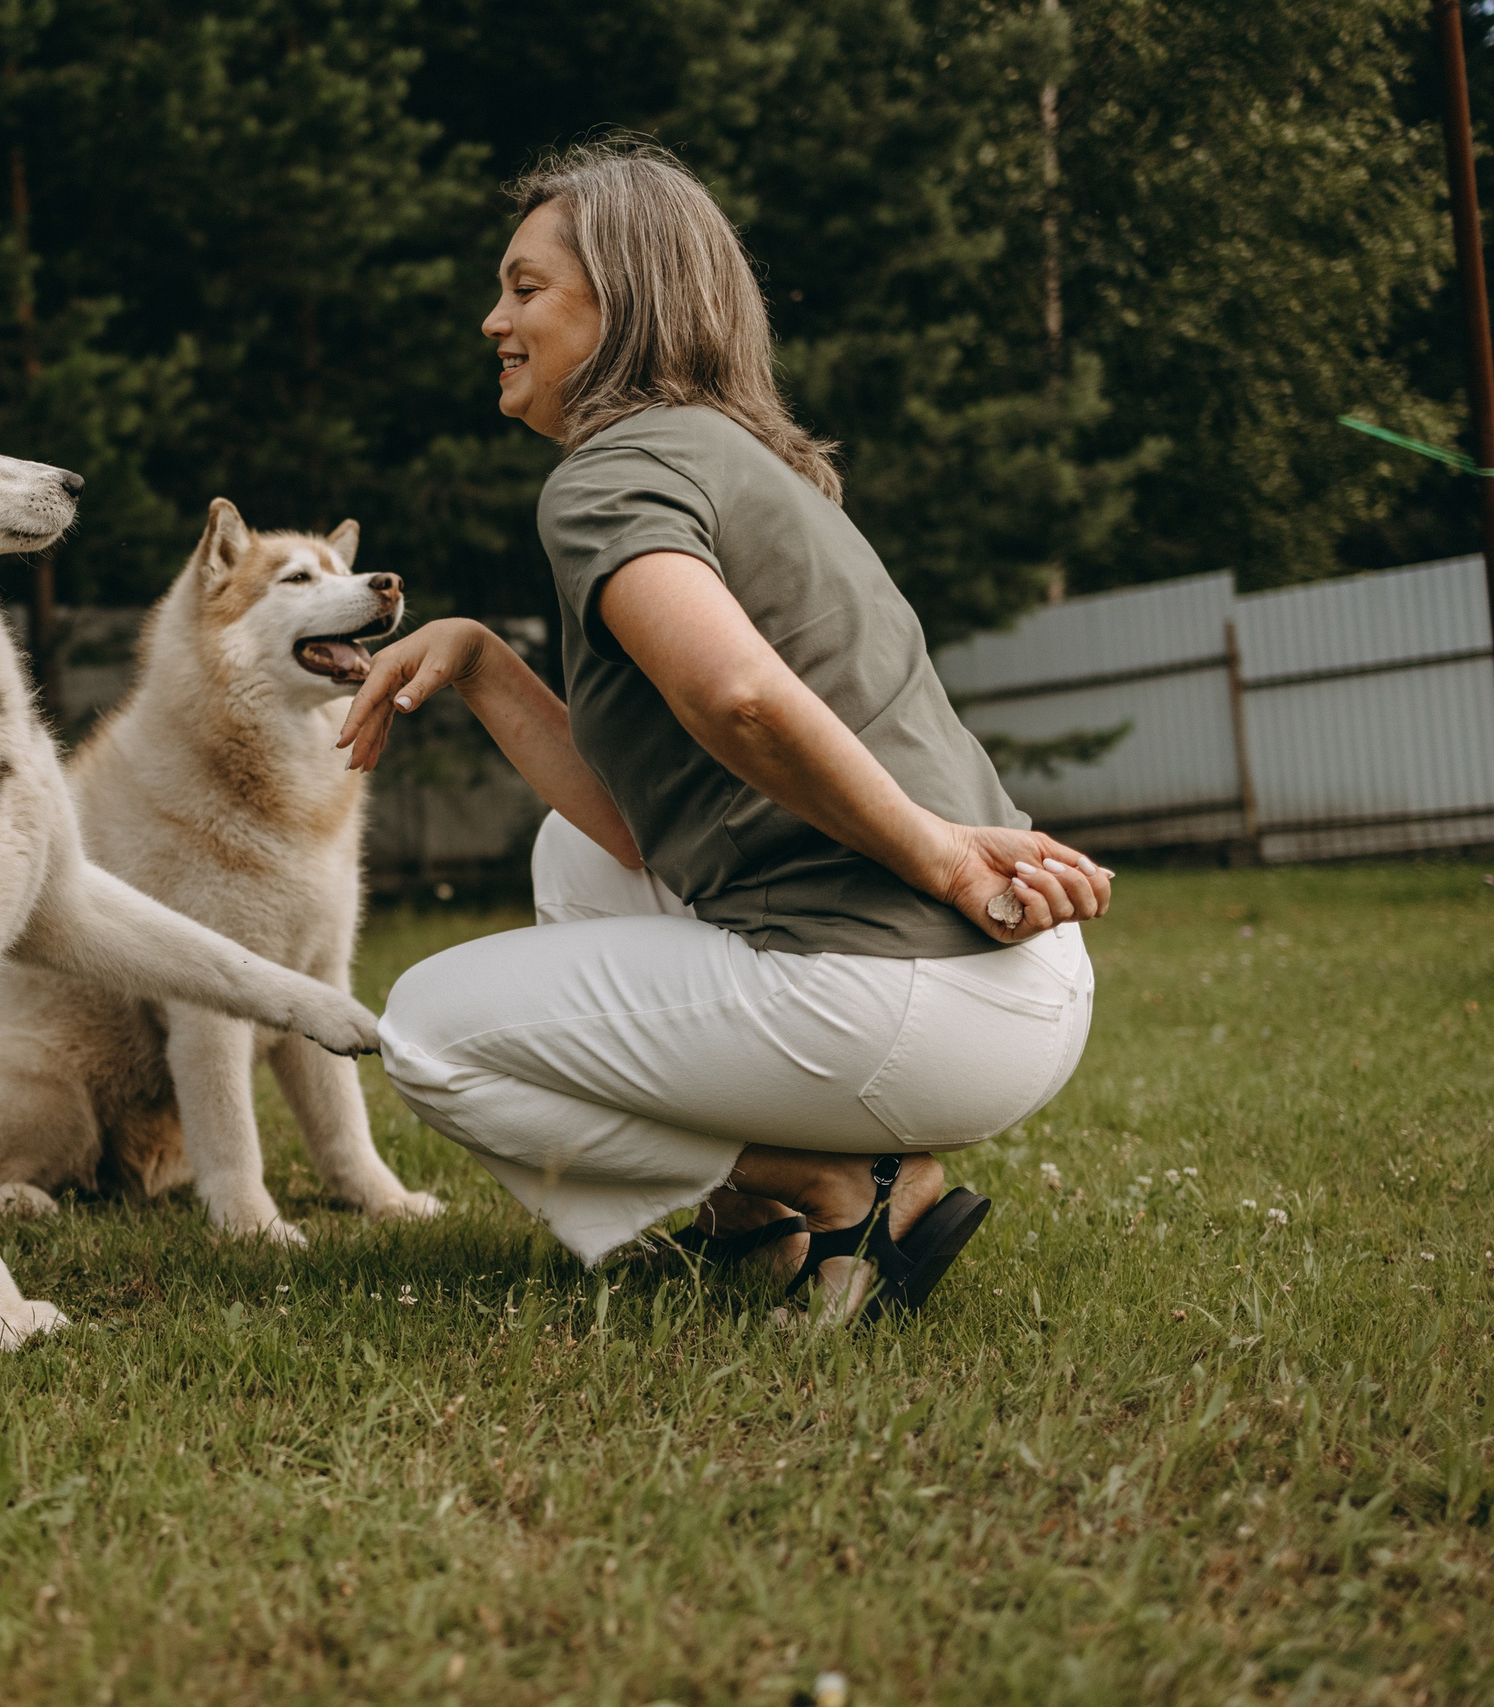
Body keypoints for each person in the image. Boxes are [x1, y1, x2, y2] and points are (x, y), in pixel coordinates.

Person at [339, 138, 1109, 1320]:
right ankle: (755, 1230)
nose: (494, 320)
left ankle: (833, 1185)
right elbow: (630, 829)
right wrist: (484, 664)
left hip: (911, 989)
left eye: (525, 287)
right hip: (1008, 984)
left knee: (430, 1033)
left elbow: (738, 695)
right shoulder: (734, 459)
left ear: (625, 301)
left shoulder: (607, 476)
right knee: (573, 854)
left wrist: (943, 858)